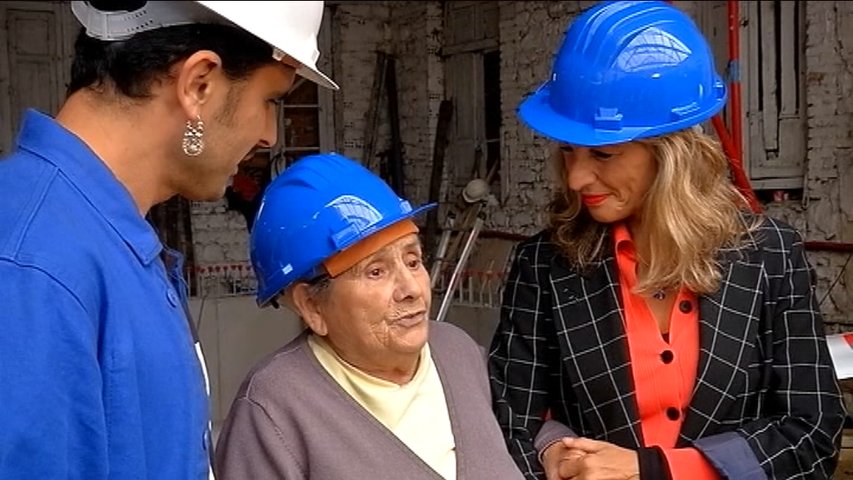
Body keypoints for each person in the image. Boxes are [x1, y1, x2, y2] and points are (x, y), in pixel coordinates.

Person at [488, 1, 845, 480]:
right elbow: (509, 420)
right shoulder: (545, 266)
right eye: (568, 150)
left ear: (672, 155)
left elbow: (811, 431)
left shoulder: (769, 255)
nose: (576, 178)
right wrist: (551, 452)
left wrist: (657, 470)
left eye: (603, 153)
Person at [0, 1, 336, 478]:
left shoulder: (99, 239)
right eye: (271, 101)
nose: (270, 135)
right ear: (199, 84)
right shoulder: (33, 267)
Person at [214, 153, 523, 480]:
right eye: (376, 271)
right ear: (312, 307)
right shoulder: (273, 409)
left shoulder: (458, 352)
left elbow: (518, 430)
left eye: (413, 261)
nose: (412, 289)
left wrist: (555, 447)